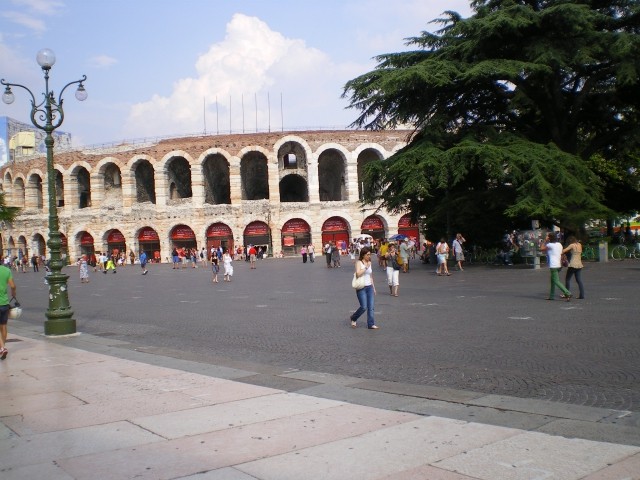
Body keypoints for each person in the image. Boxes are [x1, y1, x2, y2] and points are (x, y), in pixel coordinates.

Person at [349, 247, 379, 330]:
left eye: (370, 254)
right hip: (361, 287)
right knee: (363, 307)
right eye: (367, 255)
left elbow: (370, 276)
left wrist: (374, 287)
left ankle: (371, 324)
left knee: (371, 307)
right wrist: (365, 267)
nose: (369, 256)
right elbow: (358, 274)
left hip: (369, 287)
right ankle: (354, 318)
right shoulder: (359, 262)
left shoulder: (370, 262)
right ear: (363, 255)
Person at [540, 231, 572, 301]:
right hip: (560, 264)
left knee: (556, 281)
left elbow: (541, 248)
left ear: (549, 238)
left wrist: (545, 240)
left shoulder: (549, 245)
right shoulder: (559, 244)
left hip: (553, 265)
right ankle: (551, 296)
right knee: (553, 280)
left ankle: (567, 293)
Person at [0, 255, 17, 360]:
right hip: (5, 303)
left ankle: (2, 348)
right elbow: (13, 286)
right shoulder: (6, 270)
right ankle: (3, 347)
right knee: (3, 326)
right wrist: (13, 294)